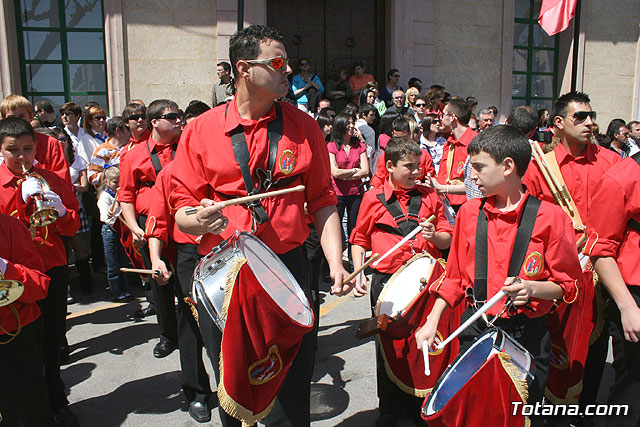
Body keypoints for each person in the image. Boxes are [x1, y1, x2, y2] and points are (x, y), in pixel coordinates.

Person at [171, 25, 351, 427]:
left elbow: (322, 200)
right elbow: (181, 209)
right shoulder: (201, 129)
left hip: (289, 267)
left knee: (292, 385)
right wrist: (198, 220)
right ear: (244, 69)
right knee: (236, 386)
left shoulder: (304, 127)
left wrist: (336, 263)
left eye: (286, 62)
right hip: (227, 275)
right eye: (277, 62)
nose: (288, 70)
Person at [415, 125, 582, 426]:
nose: (471, 176)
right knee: (475, 413)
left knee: (522, 416)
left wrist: (532, 288)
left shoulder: (551, 218)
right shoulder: (468, 213)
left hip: (526, 335)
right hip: (476, 330)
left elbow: (567, 286)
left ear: (507, 167)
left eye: (478, 167)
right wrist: (431, 321)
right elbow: (452, 278)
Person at [522, 91, 620, 418]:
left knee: (594, 351)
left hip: (604, 275)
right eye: (580, 117)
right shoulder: (539, 167)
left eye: (592, 116)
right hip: (558, 278)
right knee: (549, 353)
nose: (590, 122)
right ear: (558, 123)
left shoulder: (613, 163)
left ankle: (586, 415)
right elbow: (530, 221)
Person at [351, 136, 452, 427]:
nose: (416, 172)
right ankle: (389, 408)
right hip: (388, 284)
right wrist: (358, 272)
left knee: (424, 343)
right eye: (409, 167)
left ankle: (419, 402)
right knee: (388, 346)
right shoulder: (372, 199)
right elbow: (358, 239)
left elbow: (447, 236)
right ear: (391, 166)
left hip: (425, 282)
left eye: (418, 166)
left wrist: (435, 236)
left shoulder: (430, 195)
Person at [0, 116, 80, 427]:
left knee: (52, 341)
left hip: (51, 266)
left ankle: (56, 401)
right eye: (13, 150)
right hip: (15, 276)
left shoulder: (51, 178)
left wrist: (60, 210)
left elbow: (72, 225)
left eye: (28, 149)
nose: (21, 157)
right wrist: (16, 201)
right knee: (21, 347)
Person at [145, 160, 213, 422]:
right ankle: (196, 392)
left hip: (229, 247)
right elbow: (158, 218)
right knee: (191, 324)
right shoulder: (172, 171)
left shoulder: (231, 160)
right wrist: (156, 258)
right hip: (190, 254)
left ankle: (240, 387)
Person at [119, 99, 181, 357]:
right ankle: (168, 335)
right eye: (172, 116)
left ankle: (195, 331)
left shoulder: (189, 147)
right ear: (154, 122)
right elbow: (126, 195)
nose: (179, 120)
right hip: (149, 224)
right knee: (160, 282)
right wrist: (135, 229)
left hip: (183, 221)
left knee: (189, 281)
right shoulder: (133, 154)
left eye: (180, 115)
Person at [585, 154, 640, 426]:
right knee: (632, 390)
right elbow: (600, 249)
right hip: (635, 293)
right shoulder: (622, 178)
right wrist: (628, 307)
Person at [0, 213, 53, 426]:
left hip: (17, 332)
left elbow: (40, 285)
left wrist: (6, 268)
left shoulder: (10, 227)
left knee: (31, 407)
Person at [1, 95, 71, 184]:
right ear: (3, 119)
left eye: (22, 116)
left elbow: (62, 180)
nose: (17, 121)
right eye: (12, 117)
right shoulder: (2, 145)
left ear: (31, 117)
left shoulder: (51, 143)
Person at [328, 112, 370, 260]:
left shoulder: (359, 146)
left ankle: (354, 263)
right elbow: (334, 172)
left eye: (353, 123)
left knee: (354, 229)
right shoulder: (332, 146)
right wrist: (353, 171)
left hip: (355, 193)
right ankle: (334, 262)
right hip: (337, 193)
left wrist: (344, 175)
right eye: (348, 123)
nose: (352, 126)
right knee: (335, 229)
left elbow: (365, 171)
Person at [431, 98, 478, 210]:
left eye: (443, 114)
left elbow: (475, 185)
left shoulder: (474, 142)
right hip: (446, 202)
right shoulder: (450, 141)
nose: (440, 118)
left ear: (452, 118)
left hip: (465, 204)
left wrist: (443, 188)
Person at [96, 166, 134, 302]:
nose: (118, 185)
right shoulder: (105, 197)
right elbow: (107, 217)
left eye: (120, 182)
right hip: (110, 231)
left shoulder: (120, 195)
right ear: (107, 182)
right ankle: (116, 292)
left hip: (121, 230)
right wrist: (117, 210)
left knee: (123, 261)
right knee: (113, 264)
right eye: (114, 182)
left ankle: (126, 289)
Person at [89, 116, 131, 185]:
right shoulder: (102, 151)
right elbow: (92, 177)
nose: (131, 132)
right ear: (118, 131)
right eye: (128, 129)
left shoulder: (130, 148)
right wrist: (112, 175)